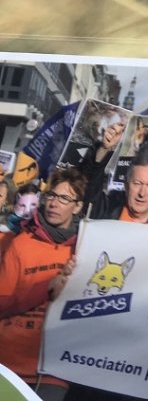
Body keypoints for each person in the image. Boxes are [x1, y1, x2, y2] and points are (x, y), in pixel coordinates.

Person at [0, 167, 85, 399]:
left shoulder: (85, 249)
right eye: (51, 196)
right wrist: (46, 289)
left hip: (53, 371)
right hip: (9, 364)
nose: (54, 204)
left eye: (65, 198)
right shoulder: (21, 244)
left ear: (77, 206)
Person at [85, 151, 148, 227]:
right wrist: (104, 149)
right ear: (126, 185)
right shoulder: (105, 212)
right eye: (137, 184)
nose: (142, 193)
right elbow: (91, 192)